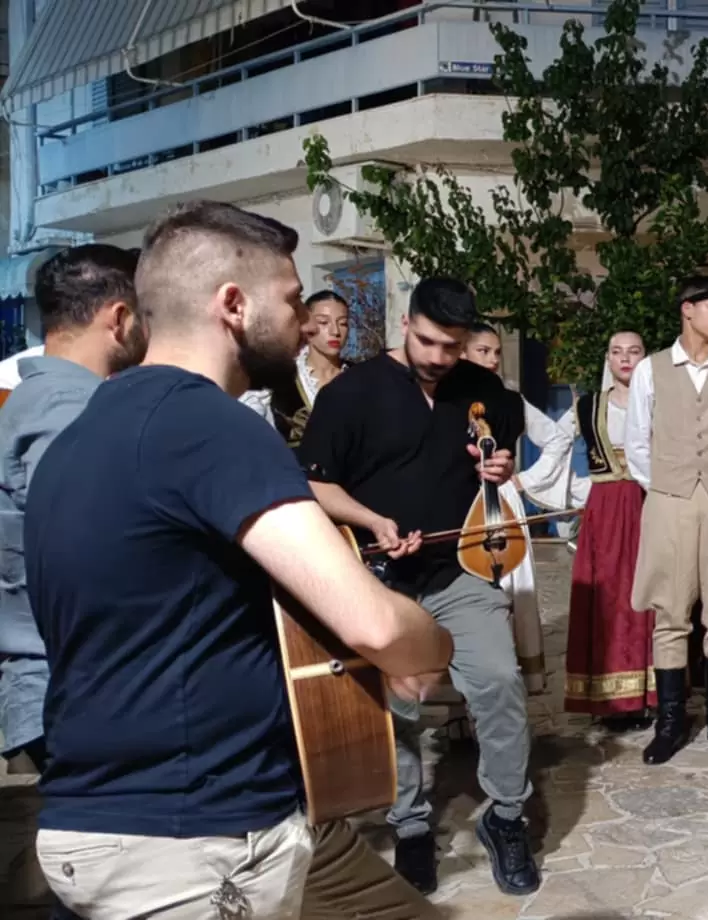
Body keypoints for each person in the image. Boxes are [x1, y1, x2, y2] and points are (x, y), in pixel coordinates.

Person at [28, 200, 450, 917]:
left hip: (172, 811)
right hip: (195, 840)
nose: (303, 322)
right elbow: (375, 625)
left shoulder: (80, 440)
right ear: (233, 304)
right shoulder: (209, 424)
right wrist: (431, 643)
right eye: (291, 299)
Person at [298, 277, 541, 897]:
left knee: (499, 681)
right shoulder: (351, 393)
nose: (438, 357)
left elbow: (501, 445)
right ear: (405, 324)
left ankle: (506, 816)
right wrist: (373, 521)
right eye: (428, 341)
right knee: (398, 705)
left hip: (461, 567)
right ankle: (409, 825)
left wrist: (499, 464)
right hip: (382, 580)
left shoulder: (483, 388)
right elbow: (316, 485)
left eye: (452, 346)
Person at [0, 245, 145, 778]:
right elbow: (90, 553)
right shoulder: (68, 409)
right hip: (75, 693)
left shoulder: (44, 398)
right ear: (120, 318)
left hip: (62, 689)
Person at [626, 276, 708, 764]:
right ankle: (669, 723)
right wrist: (668, 485)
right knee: (670, 611)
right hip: (669, 499)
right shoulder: (650, 369)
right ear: (688, 310)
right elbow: (637, 441)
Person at [459, 322, 576, 698]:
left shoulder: (511, 400)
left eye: (496, 352)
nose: (492, 359)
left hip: (503, 499)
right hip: (459, 500)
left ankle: (515, 675)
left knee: (514, 587)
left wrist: (525, 480)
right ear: (462, 352)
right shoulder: (446, 399)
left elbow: (557, 438)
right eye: (483, 351)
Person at [552, 331, 656, 726]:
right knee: (608, 598)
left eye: (633, 351)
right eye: (617, 352)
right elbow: (554, 446)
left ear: (645, 358)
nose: (625, 358)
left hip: (649, 505)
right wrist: (523, 482)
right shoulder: (588, 406)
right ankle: (608, 697)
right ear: (608, 359)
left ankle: (651, 694)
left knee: (648, 594)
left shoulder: (659, 403)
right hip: (606, 510)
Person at [238, 289, 354, 446]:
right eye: (323, 322)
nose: (335, 331)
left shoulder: (362, 378)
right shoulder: (281, 377)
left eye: (343, 323)